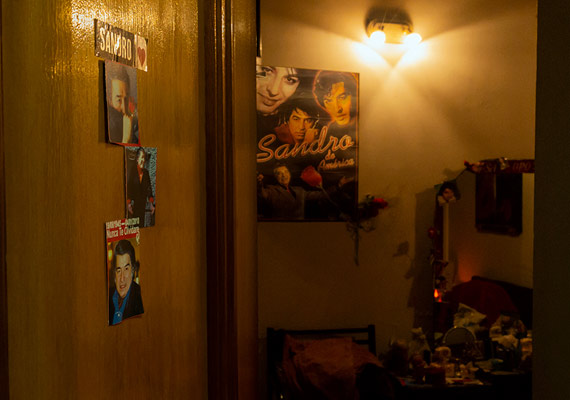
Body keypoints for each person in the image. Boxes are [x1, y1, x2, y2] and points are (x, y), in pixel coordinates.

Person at [257, 164, 350, 219]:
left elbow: (321, 195)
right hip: (281, 231)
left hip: (301, 229)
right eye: (279, 173)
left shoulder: (299, 190)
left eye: (285, 172)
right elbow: (261, 194)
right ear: (275, 177)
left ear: (289, 174)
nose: (283, 175)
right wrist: (258, 182)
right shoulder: (271, 190)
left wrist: (338, 186)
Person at [108, 239, 144, 325]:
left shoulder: (139, 297)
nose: (122, 278)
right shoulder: (108, 297)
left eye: (126, 269)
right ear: (114, 274)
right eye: (119, 270)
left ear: (133, 271)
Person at [106, 60, 139, 145]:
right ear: (109, 99)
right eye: (119, 100)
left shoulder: (134, 124)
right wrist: (126, 138)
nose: (124, 109)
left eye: (126, 98)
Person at [127, 147, 155, 227]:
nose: (143, 160)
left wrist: (151, 203)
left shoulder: (146, 173)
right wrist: (129, 204)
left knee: (141, 227)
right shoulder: (133, 171)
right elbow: (129, 188)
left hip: (142, 208)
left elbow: (149, 189)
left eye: (144, 158)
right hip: (133, 208)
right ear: (137, 159)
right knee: (132, 228)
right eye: (142, 157)